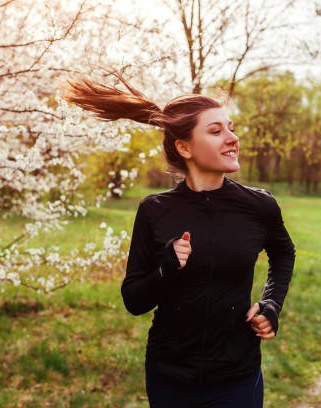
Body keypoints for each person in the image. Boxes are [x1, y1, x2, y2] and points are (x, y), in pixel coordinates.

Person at [60, 67, 296, 408]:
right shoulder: (155, 211)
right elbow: (134, 300)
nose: (232, 138)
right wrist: (167, 268)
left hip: (237, 376)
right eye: (216, 131)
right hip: (170, 378)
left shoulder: (259, 206)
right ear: (185, 147)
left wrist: (271, 302)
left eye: (231, 128)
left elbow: (283, 253)